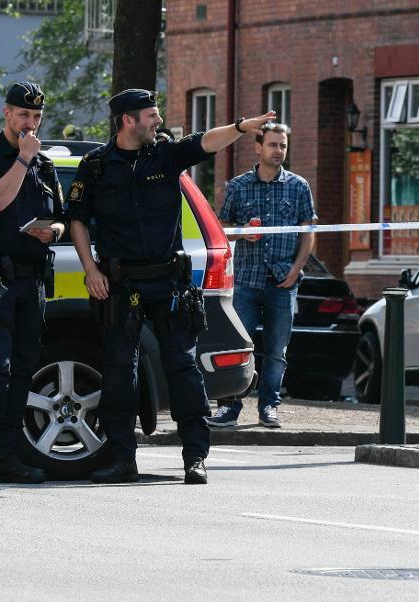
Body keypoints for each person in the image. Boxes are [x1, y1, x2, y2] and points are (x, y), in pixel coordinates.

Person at [67, 88, 274, 484]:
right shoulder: (96, 166)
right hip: (120, 282)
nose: (158, 122)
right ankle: (122, 459)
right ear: (128, 120)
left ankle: (195, 457)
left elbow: (205, 142)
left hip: (168, 281)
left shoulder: (165, 154)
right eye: (151, 116)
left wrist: (240, 127)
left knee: (183, 367)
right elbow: (77, 218)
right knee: (118, 372)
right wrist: (90, 268)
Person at [0, 82, 65, 485]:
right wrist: (22, 160)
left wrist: (51, 231)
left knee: (22, 371)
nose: (31, 124)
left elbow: (59, 217)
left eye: (37, 118)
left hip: (32, 281)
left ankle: (8, 455)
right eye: (24, 116)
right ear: (6, 113)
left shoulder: (45, 165)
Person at [208, 123, 316, 429]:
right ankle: (229, 407)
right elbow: (222, 229)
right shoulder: (239, 186)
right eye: (272, 145)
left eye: (282, 145)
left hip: (283, 281)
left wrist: (295, 271)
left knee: (277, 350)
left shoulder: (298, 186)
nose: (278, 151)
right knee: (238, 347)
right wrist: (243, 233)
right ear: (258, 147)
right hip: (245, 280)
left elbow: (308, 233)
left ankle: (269, 406)